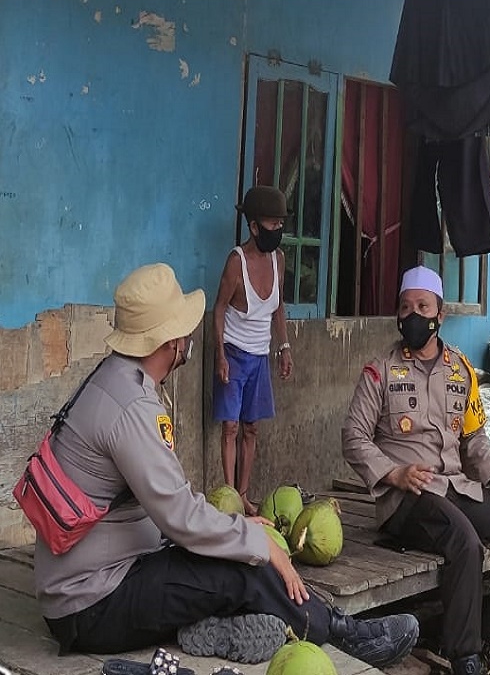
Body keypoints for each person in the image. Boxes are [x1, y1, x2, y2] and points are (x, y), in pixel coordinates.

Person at [35, 262, 418, 666]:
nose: (188, 338)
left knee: (231, 548)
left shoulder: (110, 377)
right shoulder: (131, 408)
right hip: (90, 605)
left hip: (89, 583)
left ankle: (231, 627)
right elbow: (181, 518)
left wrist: (236, 529)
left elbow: (168, 501)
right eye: (183, 330)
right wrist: (258, 546)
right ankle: (343, 634)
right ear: (170, 342)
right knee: (242, 568)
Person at [342, 266, 490, 675]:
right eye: (405, 307)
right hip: (408, 498)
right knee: (465, 542)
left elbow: (474, 440)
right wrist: (393, 474)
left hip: (457, 487)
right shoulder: (379, 371)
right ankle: (466, 661)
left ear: (439, 315)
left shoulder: (461, 370)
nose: (413, 315)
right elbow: (354, 438)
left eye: (423, 306)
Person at [213, 185, 293, 515]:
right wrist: (219, 354)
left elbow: (278, 308)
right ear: (254, 227)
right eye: (272, 225)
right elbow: (219, 308)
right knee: (230, 427)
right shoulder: (237, 262)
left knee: (251, 428)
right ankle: (229, 495)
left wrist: (284, 347)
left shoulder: (279, 260)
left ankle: (243, 495)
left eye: (280, 224)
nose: (278, 231)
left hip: (260, 357)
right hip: (233, 353)